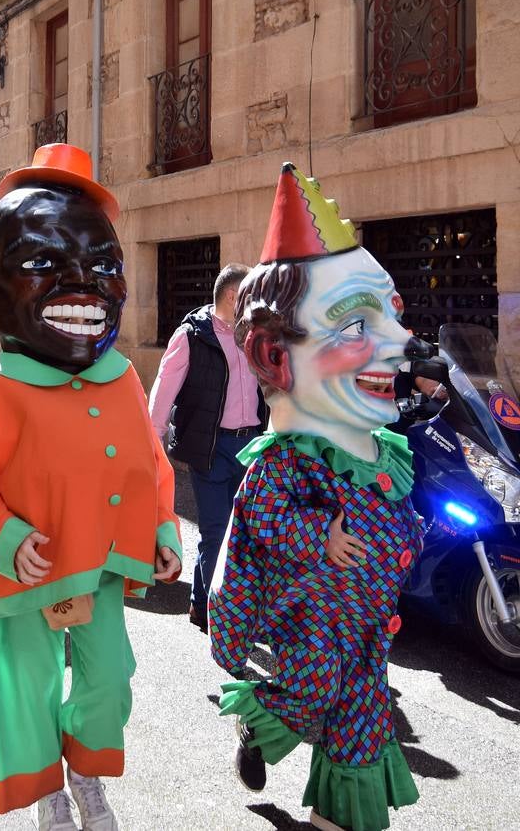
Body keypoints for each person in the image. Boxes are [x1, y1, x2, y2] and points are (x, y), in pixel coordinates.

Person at [0, 144, 182, 829]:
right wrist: (7, 538)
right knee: (27, 686)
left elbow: (150, 462)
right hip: (31, 569)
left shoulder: (119, 376)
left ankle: (85, 771)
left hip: (104, 559)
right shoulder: (1, 384)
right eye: (42, 266)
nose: (83, 284)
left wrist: (163, 530)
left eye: (102, 265)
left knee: (110, 678)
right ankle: (46, 789)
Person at [209, 164, 425, 831]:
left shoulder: (379, 447)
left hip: (366, 632)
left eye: (391, 313)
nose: (399, 340)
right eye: (357, 323)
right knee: (306, 695)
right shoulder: (284, 460)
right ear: (276, 354)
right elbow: (261, 514)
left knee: (362, 727)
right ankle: (259, 726)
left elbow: (398, 511)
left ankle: (339, 818)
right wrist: (317, 537)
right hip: (313, 626)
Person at [147, 263, 267, 633]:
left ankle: (215, 603)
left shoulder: (255, 334)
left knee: (247, 534)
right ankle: (216, 613)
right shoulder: (191, 336)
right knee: (216, 532)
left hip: (252, 446)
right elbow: (162, 395)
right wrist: (151, 448)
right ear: (233, 296)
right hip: (211, 448)